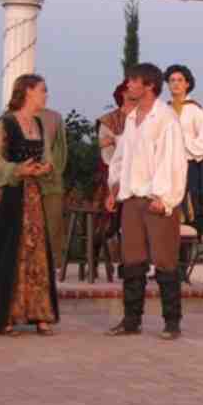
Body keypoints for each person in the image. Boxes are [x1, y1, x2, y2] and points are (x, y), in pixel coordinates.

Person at [0, 74, 59, 337]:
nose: (46, 95)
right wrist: (18, 169)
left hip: (33, 198)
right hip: (8, 197)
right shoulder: (6, 123)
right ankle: (3, 315)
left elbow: (47, 156)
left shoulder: (38, 124)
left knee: (36, 253)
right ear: (28, 91)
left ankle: (39, 313)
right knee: (7, 252)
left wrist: (44, 167)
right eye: (42, 90)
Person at [105, 63, 188, 340]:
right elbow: (121, 158)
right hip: (131, 199)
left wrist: (164, 198)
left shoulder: (166, 119)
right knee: (132, 261)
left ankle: (172, 323)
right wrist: (114, 188)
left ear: (149, 85)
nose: (128, 85)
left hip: (156, 200)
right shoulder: (131, 118)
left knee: (165, 261)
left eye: (133, 81)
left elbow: (174, 162)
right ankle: (131, 321)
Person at [165, 64, 203, 279]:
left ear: (187, 84)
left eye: (180, 80)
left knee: (187, 219)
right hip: (167, 171)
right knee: (166, 217)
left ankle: (181, 269)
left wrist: (182, 143)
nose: (175, 84)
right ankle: (165, 266)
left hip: (189, 171)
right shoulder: (164, 110)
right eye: (171, 80)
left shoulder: (195, 110)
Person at [90, 80, 137, 271]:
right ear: (123, 93)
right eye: (130, 89)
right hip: (111, 174)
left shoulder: (143, 117)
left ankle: (131, 265)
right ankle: (93, 258)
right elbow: (105, 147)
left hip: (137, 176)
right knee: (106, 222)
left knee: (133, 221)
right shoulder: (109, 120)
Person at [38, 107, 68, 270]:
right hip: (22, 180)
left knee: (54, 223)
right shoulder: (11, 117)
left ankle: (54, 262)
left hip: (51, 180)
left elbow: (61, 151)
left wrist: (52, 171)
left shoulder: (54, 117)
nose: (45, 95)